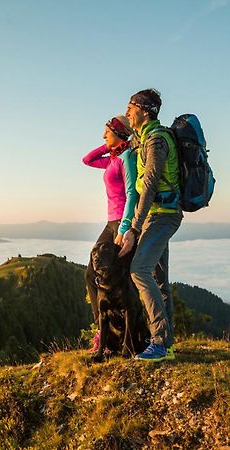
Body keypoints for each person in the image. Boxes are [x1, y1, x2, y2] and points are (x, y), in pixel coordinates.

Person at [119, 88, 182, 362]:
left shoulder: (156, 141)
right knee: (158, 279)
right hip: (158, 215)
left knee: (139, 270)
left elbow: (150, 186)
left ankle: (158, 341)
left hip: (162, 215)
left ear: (145, 111)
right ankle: (166, 344)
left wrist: (133, 228)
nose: (127, 112)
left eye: (130, 107)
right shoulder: (144, 138)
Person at [82, 115, 137, 352]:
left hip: (121, 223)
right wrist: (109, 145)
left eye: (107, 132)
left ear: (118, 133)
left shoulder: (126, 158)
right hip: (110, 221)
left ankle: (132, 337)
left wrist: (125, 229)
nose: (103, 136)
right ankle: (102, 332)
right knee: (90, 274)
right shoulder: (113, 159)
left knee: (126, 280)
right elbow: (87, 160)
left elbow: (132, 194)